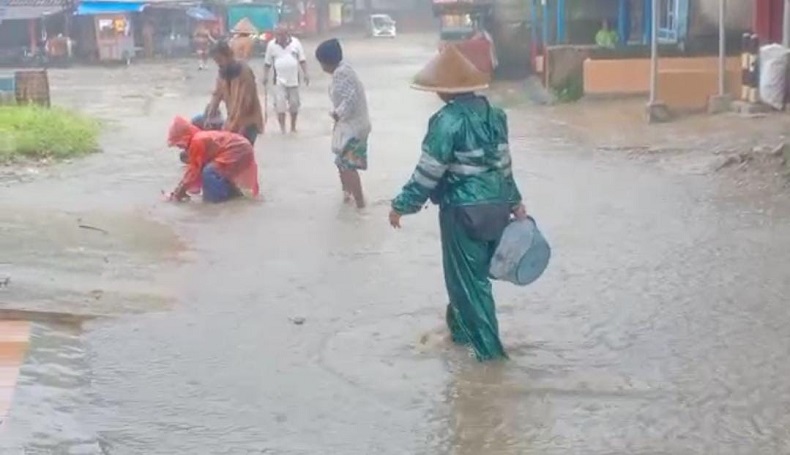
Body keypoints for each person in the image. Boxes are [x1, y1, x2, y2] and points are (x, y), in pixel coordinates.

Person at [388, 45, 527, 362]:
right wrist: (516, 203)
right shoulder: (495, 115)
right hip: (497, 207)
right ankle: (460, 333)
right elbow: (503, 166)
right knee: (468, 277)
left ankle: (491, 358)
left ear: (442, 91)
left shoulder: (446, 122)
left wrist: (401, 205)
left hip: (464, 212)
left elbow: (427, 173)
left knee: (470, 282)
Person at [315, 38, 371, 209]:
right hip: (350, 125)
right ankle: (347, 197)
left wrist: (337, 114)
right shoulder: (343, 70)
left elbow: (350, 99)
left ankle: (360, 204)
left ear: (327, 61)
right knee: (341, 163)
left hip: (354, 127)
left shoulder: (342, 73)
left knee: (347, 165)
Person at [166, 116, 259, 203]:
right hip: (242, 146)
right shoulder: (199, 137)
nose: (178, 147)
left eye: (178, 143)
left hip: (238, 148)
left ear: (184, 137)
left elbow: (194, 171)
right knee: (215, 171)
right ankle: (234, 196)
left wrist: (179, 192)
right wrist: (179, 189)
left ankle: (216, 202)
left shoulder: (196, 141)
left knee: (209, 172)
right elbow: (193, 170)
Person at [206, 40, 265, 145]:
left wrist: (234, 126)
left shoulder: (244, 71)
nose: (218, 64)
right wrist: (210, 115)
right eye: (216, 61)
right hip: (233, 121)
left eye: (220, 60)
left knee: (242, 153)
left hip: (248, 121)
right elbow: (217, 95)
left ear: (228, 55)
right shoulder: (223, 73)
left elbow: (245, 102)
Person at [263, 25, 310, 133]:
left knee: (294, 104)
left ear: (287, 34)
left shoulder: (296, 43)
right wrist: (265, 76)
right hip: (278, 80)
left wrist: (306, 74)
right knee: (280, 105)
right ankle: (283, 129)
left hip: (293, 79)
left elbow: (302, 60)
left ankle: (293, 127)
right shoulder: (271, 45)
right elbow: (267, 63)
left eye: (282, 34)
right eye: (278, 35)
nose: (280, 37)